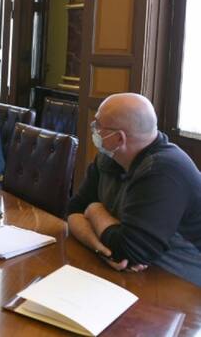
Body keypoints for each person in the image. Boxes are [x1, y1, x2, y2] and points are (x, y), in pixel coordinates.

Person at [67, 93, 201, 286]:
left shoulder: (164, 170)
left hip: (184, 283)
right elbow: (73, 211)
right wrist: (101, 249)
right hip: (134, 276)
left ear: (119, 138)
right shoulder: (109, 156)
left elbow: (131, 252)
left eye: (98, 126)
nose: (94, 130)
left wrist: (95, 210)